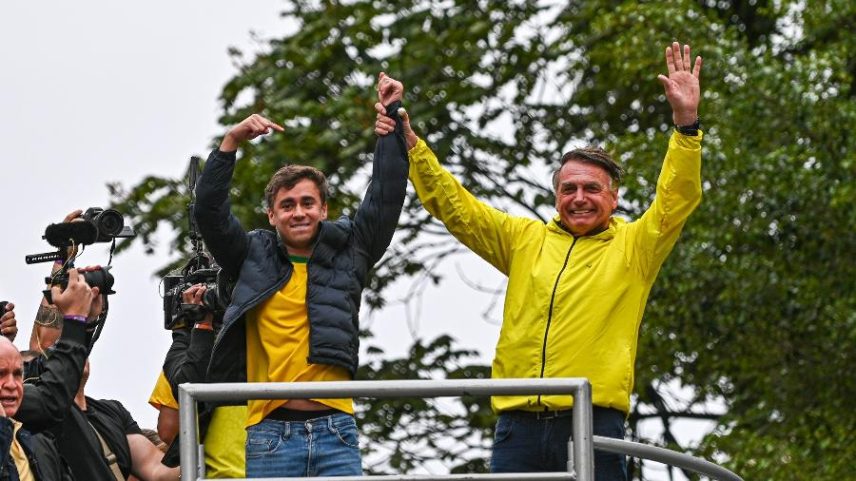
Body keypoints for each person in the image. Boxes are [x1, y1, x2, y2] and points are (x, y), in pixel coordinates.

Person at [373, 42, 703, 480]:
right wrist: (409, 141)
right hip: (518, 426)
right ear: (556, 195)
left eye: (591, 189)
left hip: (590, 421)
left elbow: (677, 197)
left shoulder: (636, 246)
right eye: (569, 189)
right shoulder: (524, 240)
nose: (579, 198)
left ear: (614, 197)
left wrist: (685, 124)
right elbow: (455, 206)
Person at [194, 72, 409, 478]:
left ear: (324, 209)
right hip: (270, 434)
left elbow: (386, 195)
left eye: (308, 202)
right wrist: (230, 144)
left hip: (336, 430)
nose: (299, 212)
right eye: (287, 204)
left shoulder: (351, 249)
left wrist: (391, 123)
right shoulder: (251, 255)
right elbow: (208, 213)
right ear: (272, 215)